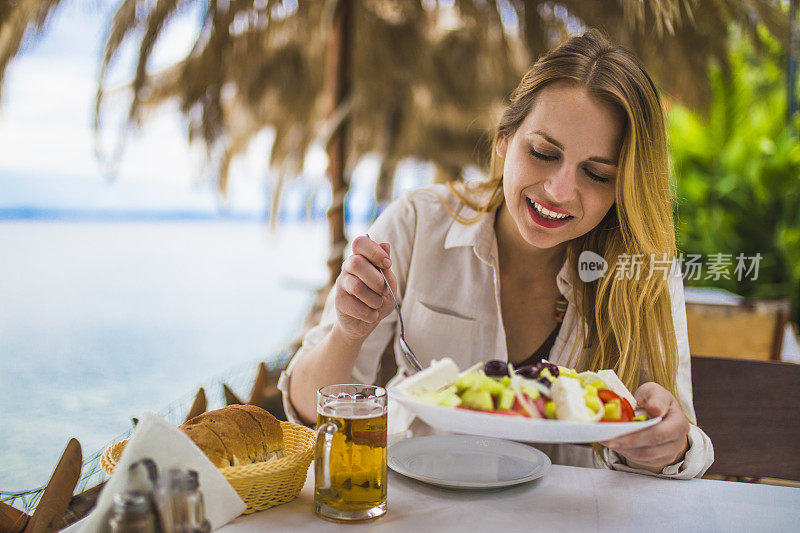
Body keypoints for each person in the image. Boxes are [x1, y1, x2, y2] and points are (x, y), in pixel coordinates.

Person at [279, 29, 714, 479]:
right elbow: (310, 410)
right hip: (424, 507)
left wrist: (667, 444)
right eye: (544, 153)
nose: (560, 191)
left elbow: (682, 443)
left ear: (623, 188)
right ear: (505, 139)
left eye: (597, 174)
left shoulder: (642, 269)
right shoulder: (416, 225)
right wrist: (347, 333)